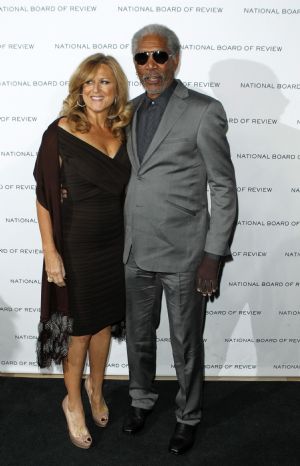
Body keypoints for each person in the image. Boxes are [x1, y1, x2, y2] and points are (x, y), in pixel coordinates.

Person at [122, 24, 237, 455]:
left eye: (159, 56)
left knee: (186, 343)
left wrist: (213, 255)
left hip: (186, 254)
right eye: (142, 57)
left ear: (176, 59)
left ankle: (187, 416)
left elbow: (223, 187)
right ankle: (139, 400)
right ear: (135, 63)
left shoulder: (204, 110)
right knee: (138, 335)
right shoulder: (128, 110)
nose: (151, 65)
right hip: (135, 251)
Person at [33, 53, 132, 449]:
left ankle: (95, 390)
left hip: (115, 246)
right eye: (89, 82)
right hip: (75, 247)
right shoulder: (59, 132)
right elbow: (43, 196)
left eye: (104, 82)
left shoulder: (124, 132)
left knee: (104, 325)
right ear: (79, 89)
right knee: (78, 332)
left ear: (116, 89)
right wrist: (49, 252)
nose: (96, 90)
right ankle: (72, 402)